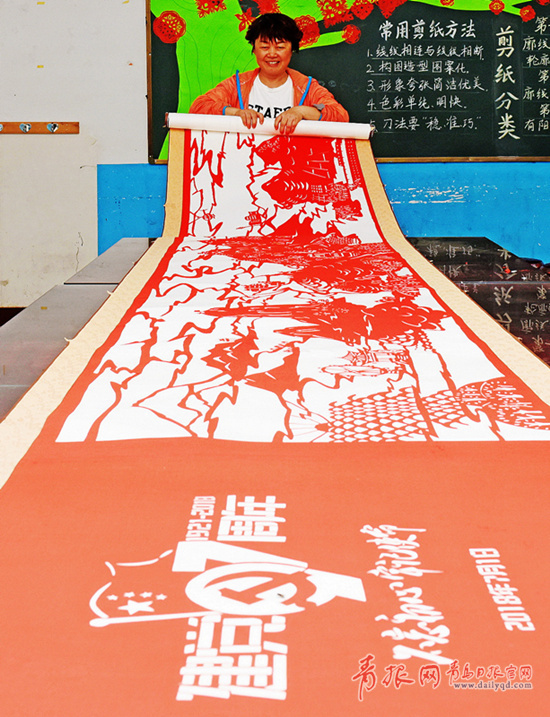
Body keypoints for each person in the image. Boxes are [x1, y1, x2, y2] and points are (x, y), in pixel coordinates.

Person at [189, 13, 349, 134]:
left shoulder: (305, 86)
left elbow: (340, 116)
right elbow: (198, 108)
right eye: (265, 47)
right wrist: (236, 112)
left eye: (280, 47)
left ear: (292, 50)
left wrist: (301, 112)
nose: (272, 54)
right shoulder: (238, 84)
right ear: (254, 49)